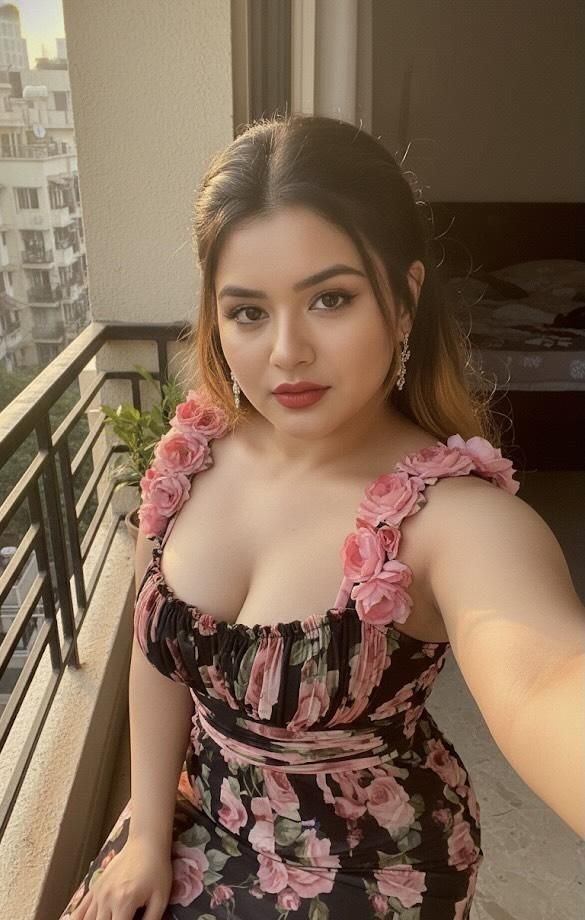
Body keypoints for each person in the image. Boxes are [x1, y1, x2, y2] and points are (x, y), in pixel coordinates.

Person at [60, 114, 585, 920]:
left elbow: (547, 676)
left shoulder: (449, 518)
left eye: (330, 299)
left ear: (403, 299)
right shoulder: (193, 452)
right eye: (247, 312)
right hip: (192, 811)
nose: (286, 352)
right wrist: (145, 834)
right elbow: (155, 656)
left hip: (363, 871)